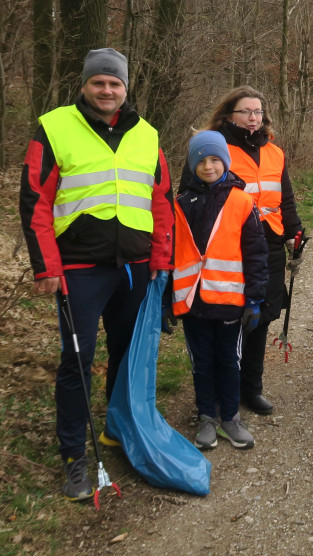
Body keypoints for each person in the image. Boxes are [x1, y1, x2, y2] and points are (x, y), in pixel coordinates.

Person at [19, 48, 174, 501]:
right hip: (79, 270)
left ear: (126, 88)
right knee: (77, 361)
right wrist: (45, 265)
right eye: (99, 82)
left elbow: (161, 202)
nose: (107, 90)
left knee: (127, 359)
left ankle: (118, 432)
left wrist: (161, 262)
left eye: (115, 83)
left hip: (135, 268)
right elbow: (35, 200)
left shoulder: (147, 134)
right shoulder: (54, 126)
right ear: (84, 84)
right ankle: (74, 456)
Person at [181, 86, 303, 415]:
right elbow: (188, 199)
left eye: (258, 112)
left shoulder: (274, 152)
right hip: (228, 248)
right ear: (228, 115)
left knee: (261, 318)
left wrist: (295, 233)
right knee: (230, 322)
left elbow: (285, 197)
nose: (252, 118)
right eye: (245, 112)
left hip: (270, 244)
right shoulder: (214, 148)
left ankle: (252, 388)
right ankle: (223, 391)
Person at [173, 131, 268, 450]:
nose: (209, 166)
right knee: (202, 362)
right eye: (202, 160)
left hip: (229, 301)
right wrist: (166, 300)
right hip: (193, 303)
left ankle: (230, 417)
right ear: (193, 164)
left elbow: (256, 252)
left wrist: (254, 298)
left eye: (215, 159)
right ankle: (206, 417)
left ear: (225, 163)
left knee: (229, 361)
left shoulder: (242, 201)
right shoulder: (182, 203)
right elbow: (174, 253)